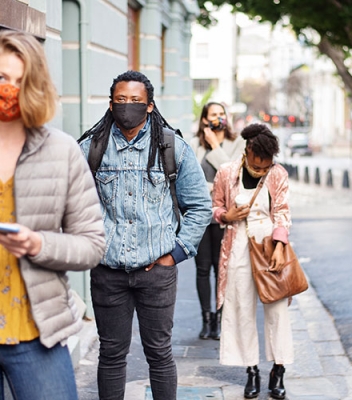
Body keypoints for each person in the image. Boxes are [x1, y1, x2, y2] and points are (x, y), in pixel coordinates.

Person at [78, 70, 212, 400]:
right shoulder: (91, 148)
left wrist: (175, 254)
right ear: (111, 105)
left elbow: (200, 207)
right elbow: (71, 203)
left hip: (157, 273)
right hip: (108, 273)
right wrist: (90, 246)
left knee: (159, 354)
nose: (128, 106)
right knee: (111, 355)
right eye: (121, 100)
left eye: (136, 101)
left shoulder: (171, 147)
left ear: (149, 106)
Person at [0, 30, 105, 400]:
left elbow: (92, 245)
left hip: (35, 332)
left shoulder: (61, 151)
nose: (8, 89)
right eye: (1, 77)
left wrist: (38, 243)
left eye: (20, 81)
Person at [212, 123, 293, 400]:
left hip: (271, 247)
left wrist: (281, 245)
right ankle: (252, 370)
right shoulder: (226, 172)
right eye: (257, 166)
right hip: (237, 247)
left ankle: (278, 369)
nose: (261, 171)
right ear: (247, 152)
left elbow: (282, 210)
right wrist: (226, 216)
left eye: (266, 166)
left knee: (277, 308)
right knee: (241, 308)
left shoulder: (278, 173)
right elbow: (215, 207)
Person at [190, 102, 245, 340]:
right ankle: (207, 320)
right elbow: (189, 179)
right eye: (213, 115)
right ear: (204, 120)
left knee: (222, 269)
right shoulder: (194, 145)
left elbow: (233, 173)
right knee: (203, 269)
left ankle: (221, 319)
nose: (218, 118)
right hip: (202, 214)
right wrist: (210, 188)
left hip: (226, 215)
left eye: (222, 114)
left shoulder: (238, 142)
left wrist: (214, 144)